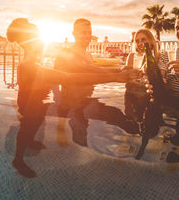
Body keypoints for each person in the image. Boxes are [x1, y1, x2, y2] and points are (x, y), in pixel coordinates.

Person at [7, 18, 136, 178]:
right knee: (27, 128)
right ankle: (18, 159)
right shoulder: (30, 66)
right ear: (29, 43)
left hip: (36, 104)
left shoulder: (33, 64)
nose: (41, 42)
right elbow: (69, 77)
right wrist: (116, 78)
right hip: (29, 106)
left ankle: (31, 142)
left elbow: (81, 72)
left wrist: (117, 73)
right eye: (38, 39)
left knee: (35, 125)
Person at [54, 18, 136, 146]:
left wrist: (120, 70)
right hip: (73, 104)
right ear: (74, 33)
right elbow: (86, 70)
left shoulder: (88, 55)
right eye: (83, 32)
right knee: (115, 116)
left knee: (116, 116)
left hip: (88, 101)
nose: (87, 36)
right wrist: (118, 74)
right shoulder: (66, 53)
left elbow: (95, 70)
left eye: (89, 32)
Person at [124, 28, 167, 121]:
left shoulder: (159, 56)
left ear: (151, 41)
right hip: (132, 95)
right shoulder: (131, 56)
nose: (140, 43)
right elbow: (127, 79)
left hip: (150, 98)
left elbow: (161, 77)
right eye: (137, 41)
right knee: (132, 119)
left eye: (143, 40)